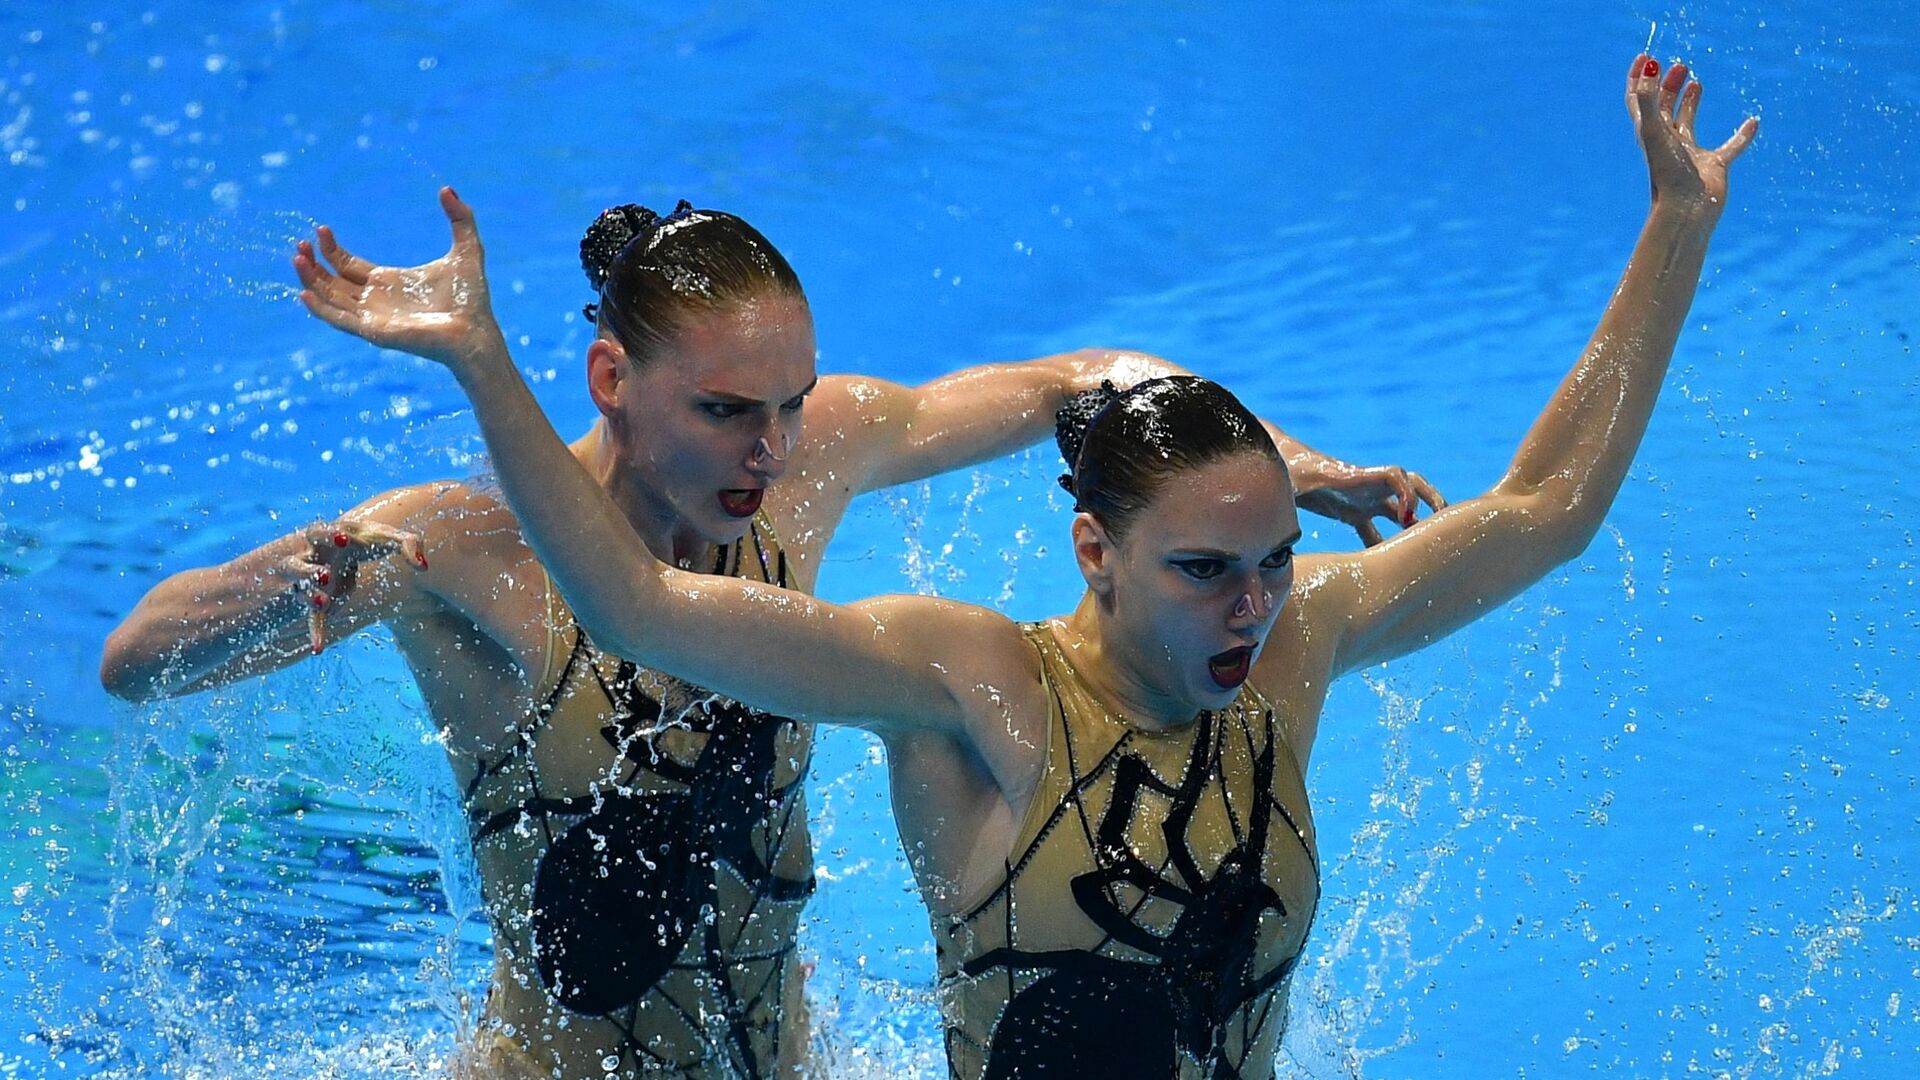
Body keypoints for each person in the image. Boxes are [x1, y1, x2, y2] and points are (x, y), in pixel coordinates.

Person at [301, 54, 1755, 1077]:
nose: (1253, 601)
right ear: (1094, 553)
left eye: (1272, 560)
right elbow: (638, 607)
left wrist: (1676, 229)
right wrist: (486, 365)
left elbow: (1547, 507)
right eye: (1204, 567)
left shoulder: (1299, 643)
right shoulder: (964, 680)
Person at [102, 190, 1433, 1077]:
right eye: (732, 412)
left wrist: (1280, 473)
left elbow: (1079, 383)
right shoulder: (465, 552)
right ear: (612, 379)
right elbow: (139, 658)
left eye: (793, 403)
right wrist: (292, 589)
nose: (777, 448)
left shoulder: (805, 469)